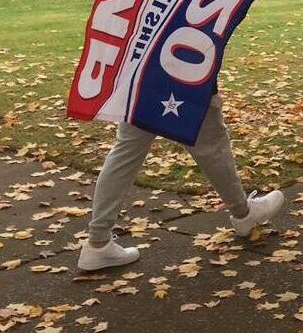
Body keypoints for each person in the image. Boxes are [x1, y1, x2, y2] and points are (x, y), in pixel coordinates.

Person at [78, 89, 285, 270]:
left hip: (144, 74)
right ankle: (244, 213)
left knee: (125, 152)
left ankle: (98, 240)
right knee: (212, 146)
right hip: (189, 74)